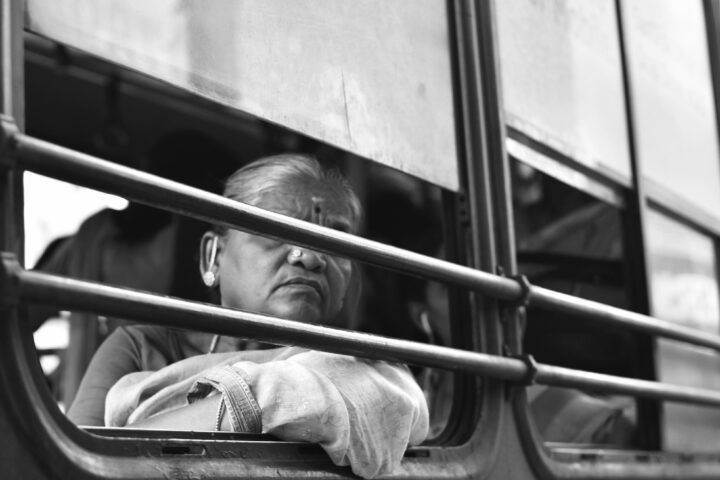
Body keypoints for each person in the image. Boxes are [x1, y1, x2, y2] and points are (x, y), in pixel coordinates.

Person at [67, 154, 429, 479]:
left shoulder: (368, 368)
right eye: (276, 230)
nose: (311, 257)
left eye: (335, 243)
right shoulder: (139, 347)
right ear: (213, 256)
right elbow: (78, 465)